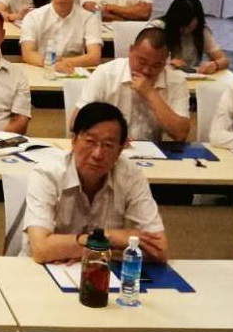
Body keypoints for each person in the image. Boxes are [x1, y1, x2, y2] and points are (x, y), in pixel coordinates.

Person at [21, 101, 168, 263]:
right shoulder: (47, 173)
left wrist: (89, 252)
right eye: (90, 142)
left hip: (100, 268)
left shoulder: (130, 175)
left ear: (120, 150)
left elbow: (159, 249)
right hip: (40, 270)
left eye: (108, 145)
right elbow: (41, 250)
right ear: (74, 140)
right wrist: (110, 238)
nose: (97, 154)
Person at [85, 27, 191, 142]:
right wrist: (112, 137)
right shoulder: (106, 73)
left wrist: (150, 94)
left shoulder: (176, 81)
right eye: (142, 62)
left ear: (166, 61)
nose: (146, 71)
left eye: (156, 65)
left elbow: (181, 134)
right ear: (131, 50)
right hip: (111, 146)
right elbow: (77, 122)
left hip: (155, 149)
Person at [19, 0, 105, 73]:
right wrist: (53, 65)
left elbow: (94, 56)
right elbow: (27, 53)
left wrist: (61, 62)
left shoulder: (89, 18)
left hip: (73, 73)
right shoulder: (33, 17)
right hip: (41, 70)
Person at [159, 0, 227, 74]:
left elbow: (223, 60)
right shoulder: (158, 29)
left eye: (189, 27)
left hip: (189, 76)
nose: (185, 31)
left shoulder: (200, 31)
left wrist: (215, 64)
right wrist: (168, 63)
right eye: (181, 26)